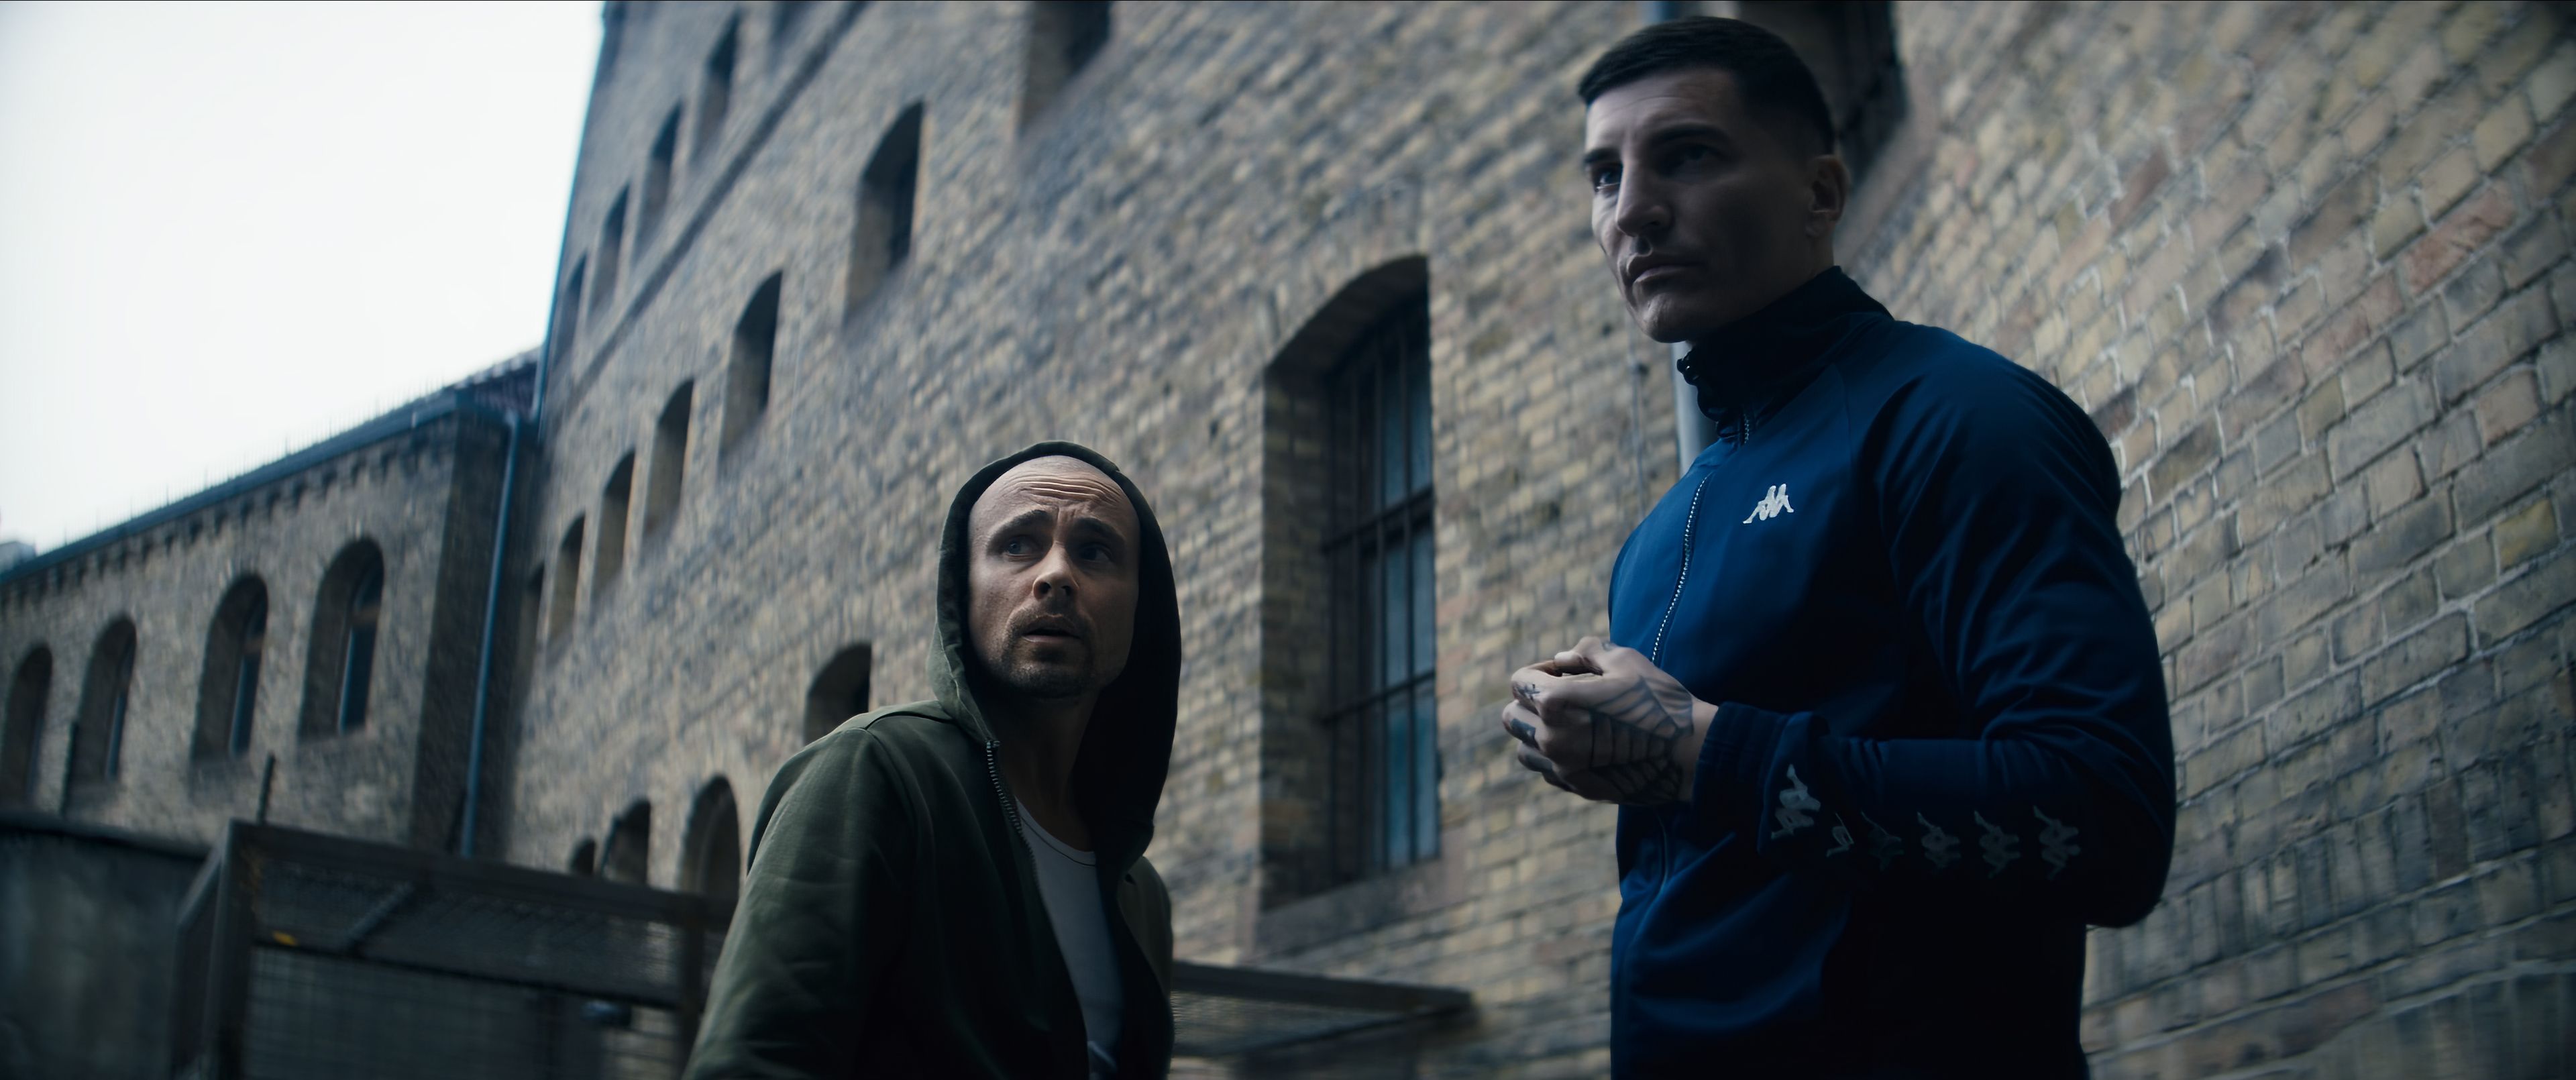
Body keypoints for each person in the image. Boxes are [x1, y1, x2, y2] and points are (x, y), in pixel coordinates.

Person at [1501, 17, 2176, 1077]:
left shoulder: (1956, 414)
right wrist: (1616, 743)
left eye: (1688, 155)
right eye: (1603, 176)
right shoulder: (1659, 536)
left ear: (1820, 192)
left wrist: (1698, 749)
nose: (1631, 210)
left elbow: (2108, 819)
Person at [686, 442, 1181, 1080]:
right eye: (1017, 545)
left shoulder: (1141, 893)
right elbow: (755, 1061)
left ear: (1141, 608)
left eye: (1094, 552)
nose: (1056, 574)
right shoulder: (875, 773)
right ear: (961, 589)